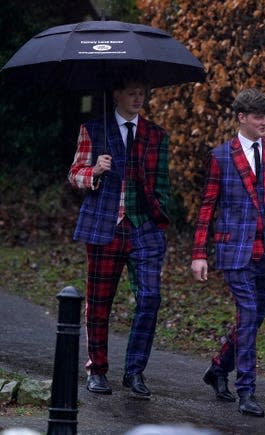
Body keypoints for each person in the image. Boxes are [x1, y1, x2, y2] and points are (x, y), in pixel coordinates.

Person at [190, 88, 265, 417]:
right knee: (247, 314)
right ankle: (247, 390)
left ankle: (217, 369)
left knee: (251, 321)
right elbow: (207, 208)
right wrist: (199, 253)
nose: (264, 122)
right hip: (236, 251)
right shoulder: (220, 157)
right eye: (258, 117)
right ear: (241, 118)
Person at [68, 71, 170, 399]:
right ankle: (97, 370)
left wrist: (160, 221)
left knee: (150, 298)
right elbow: (75, 175)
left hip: (144, 228)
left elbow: (163, 183)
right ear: (116, 95)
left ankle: (135, 371)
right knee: (99, 302)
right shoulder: (93, 130)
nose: (138, 98)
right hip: (103, 226)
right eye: (131, 93)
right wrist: (95, 170)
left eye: (141, 92)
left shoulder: (156, 135)